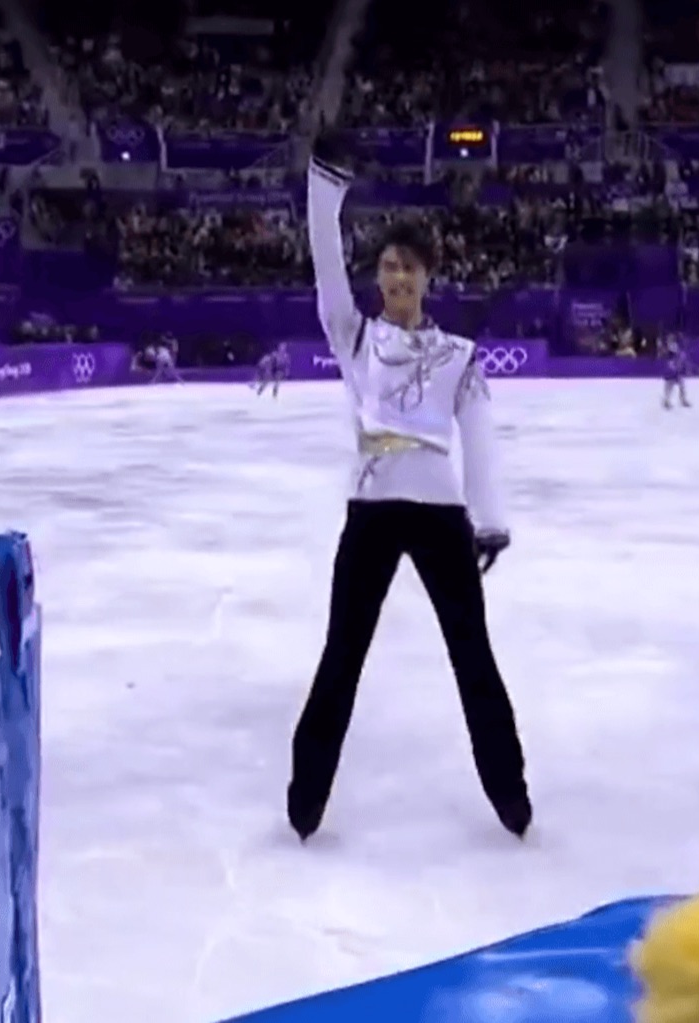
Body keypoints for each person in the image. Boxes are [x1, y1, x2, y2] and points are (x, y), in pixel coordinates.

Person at [287, 136, 531, 841]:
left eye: (409, 268)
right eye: (389, 267)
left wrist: (490, 519)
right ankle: (306, 800)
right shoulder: (353, 337)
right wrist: (323, 193)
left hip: (440, 515)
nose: (397, 278)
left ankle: (510, 796)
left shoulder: (460, 355)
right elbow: (326, 268)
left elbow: (479, 433)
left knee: (471, 651)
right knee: (343, 652)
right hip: (370, 512)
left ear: (427, 277)